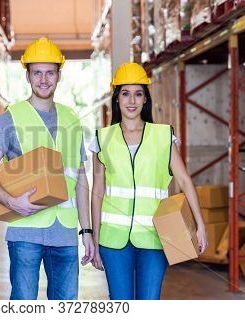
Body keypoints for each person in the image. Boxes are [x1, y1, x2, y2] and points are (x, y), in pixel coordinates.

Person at [0, 37, 94, 300]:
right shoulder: (11, 118)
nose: (43, 79)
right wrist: (10, 201)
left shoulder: (72, 119)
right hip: (25, 232)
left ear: (59, 76)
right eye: (37, 72)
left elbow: (80, 179)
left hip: (64, 234)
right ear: (27, 76)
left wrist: (86, 231)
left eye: (50, 73)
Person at [89, 62, 208, 300]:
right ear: (116, 99)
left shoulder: (163, 136)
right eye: (125, 93)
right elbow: (97, 192)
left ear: (145, 99)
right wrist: (94, 237)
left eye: (138, 93)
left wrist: (200, 225)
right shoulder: (102, 138)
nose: (131, 100)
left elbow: (184, 180)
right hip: (113, 239)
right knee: (121, 304)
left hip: (154, 236)